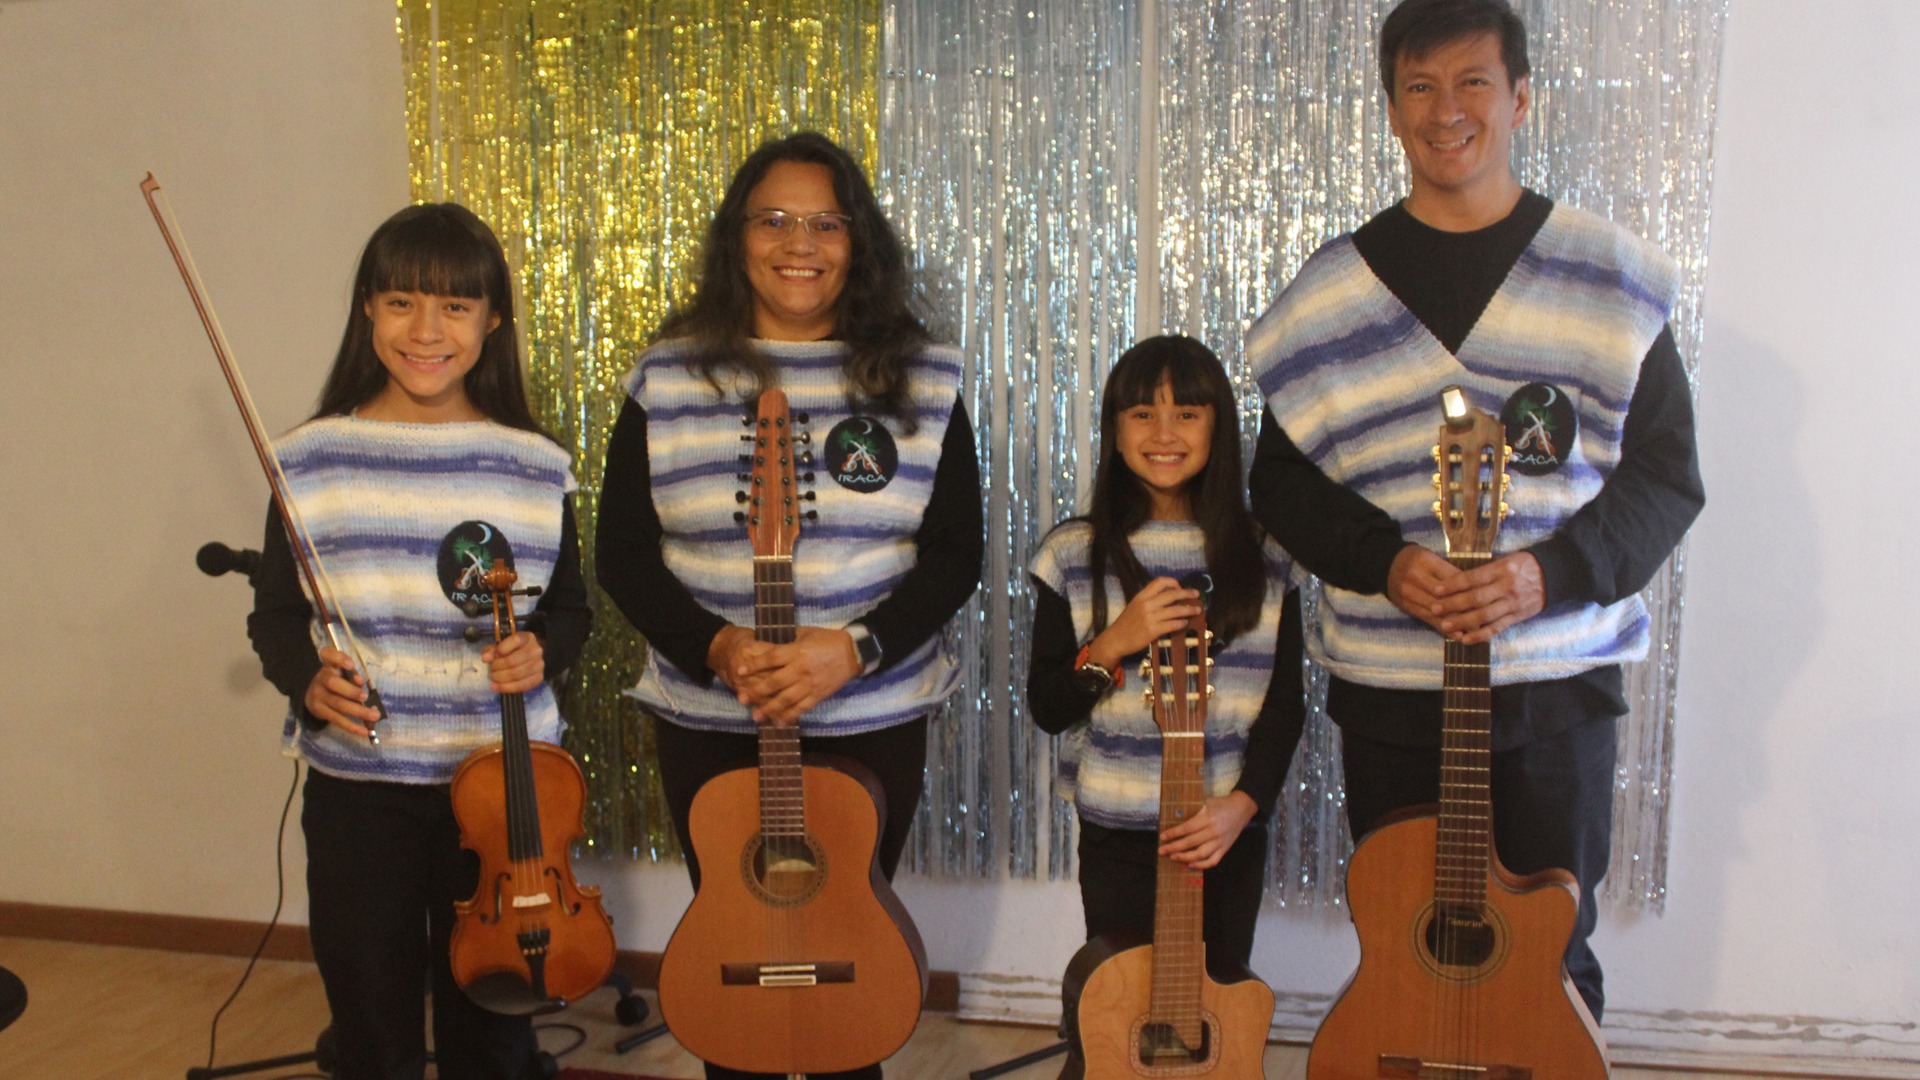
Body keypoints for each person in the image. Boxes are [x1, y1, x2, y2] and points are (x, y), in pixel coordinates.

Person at [1244, 0, 1705, 1023]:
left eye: (1472, 83)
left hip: (1556, 690)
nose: (1445, 110)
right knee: (1410, 950)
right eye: (1419, 87)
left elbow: (1668, 477)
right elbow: (1280, 484)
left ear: (1520, 98)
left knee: (1550, 954)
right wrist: (1384, 562)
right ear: (1392, 108)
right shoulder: (1331, 295)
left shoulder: (1608, 279)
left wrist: (1550, 574)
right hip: (1392, 692)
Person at [595, 131, 983, 1080]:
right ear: (738, 236)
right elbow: (624, 556)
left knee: (851, 964)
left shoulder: (922, 379)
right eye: (773, 219)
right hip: (708, 720)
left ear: (858, 242)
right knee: (739, 962)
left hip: (871, 717)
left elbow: (954, 555)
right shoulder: (668, 378)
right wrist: (720, 649)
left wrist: (855, 648)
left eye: (825, 223)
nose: (798, 243)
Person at [247, 203, 592, 1079]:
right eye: (401, 302)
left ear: (493, 320)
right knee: (373, 1029)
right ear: (368, 308)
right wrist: (305, 680)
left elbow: (570, 611)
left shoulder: (533, 463)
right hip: (361, 793)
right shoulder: (309, 460)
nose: (426, 331)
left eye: (455, 307)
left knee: (495, 1034)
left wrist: (541, 651)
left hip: (502, 793)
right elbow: (275, 616)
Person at [1026, 335, 1304, 1046]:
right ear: (1116, 432)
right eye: (1143, 414)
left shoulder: (1268, 555)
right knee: (1120, 1019)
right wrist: (1114, 642)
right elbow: (1048, 707)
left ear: (1218, 427)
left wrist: (1241, 808)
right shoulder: (1072, 554)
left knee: (1211, 1020)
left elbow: (1284, 708)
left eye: (1187, 413)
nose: (1164, 434)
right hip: (1117, 831)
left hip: (1222, 833)